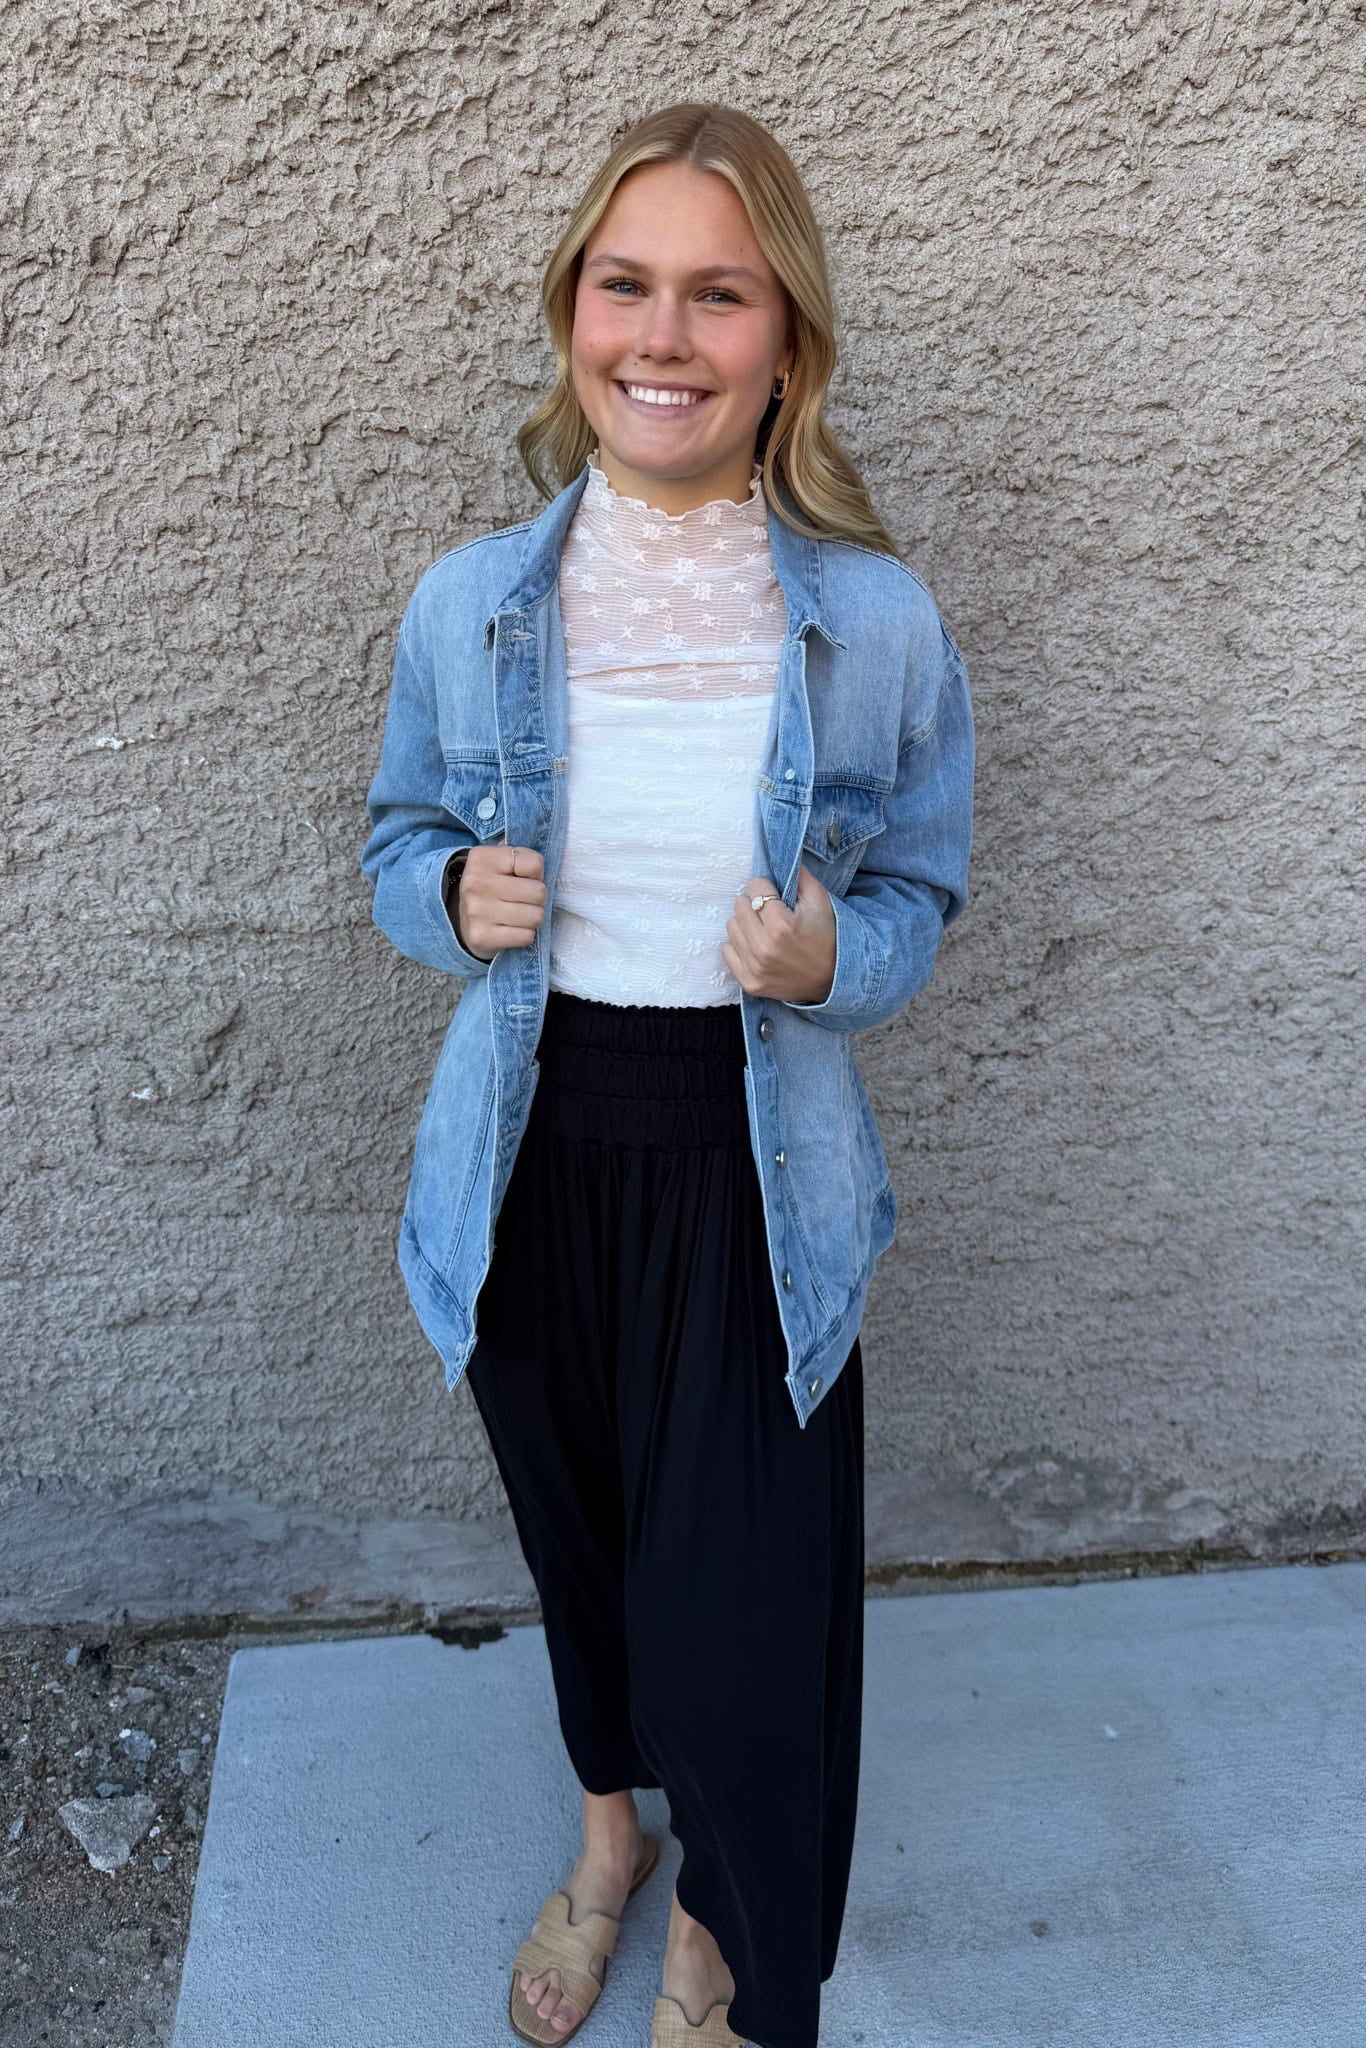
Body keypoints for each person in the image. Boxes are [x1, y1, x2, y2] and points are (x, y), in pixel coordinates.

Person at [358, 101, 975, 2048]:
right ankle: (609, 1838)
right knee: (584, 1545)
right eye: (625, 284)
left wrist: (833, 956)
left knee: (735, 1609)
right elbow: (389, 844)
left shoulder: (868, 617)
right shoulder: (472, 601)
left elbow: (922, 888)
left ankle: (721, 1922)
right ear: (570, 316)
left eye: (718, 294)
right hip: (534, 1143)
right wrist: (447, 892)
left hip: (746, 1156)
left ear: (782, 335)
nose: (663, 333)